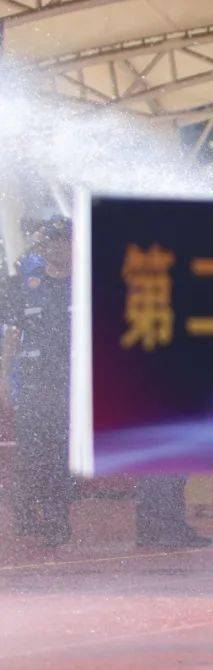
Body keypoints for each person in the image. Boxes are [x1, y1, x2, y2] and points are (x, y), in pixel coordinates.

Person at [1, 218, 75, 547]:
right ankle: (27, 518)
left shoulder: (87, 285)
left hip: (71, 386)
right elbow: (12, 337)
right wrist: (3, 377)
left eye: (62, 240)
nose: (54, 246)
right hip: (33, 384)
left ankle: (58, 520)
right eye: (49, 241)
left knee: (61, 456)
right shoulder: (26, 286)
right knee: (31, 454)